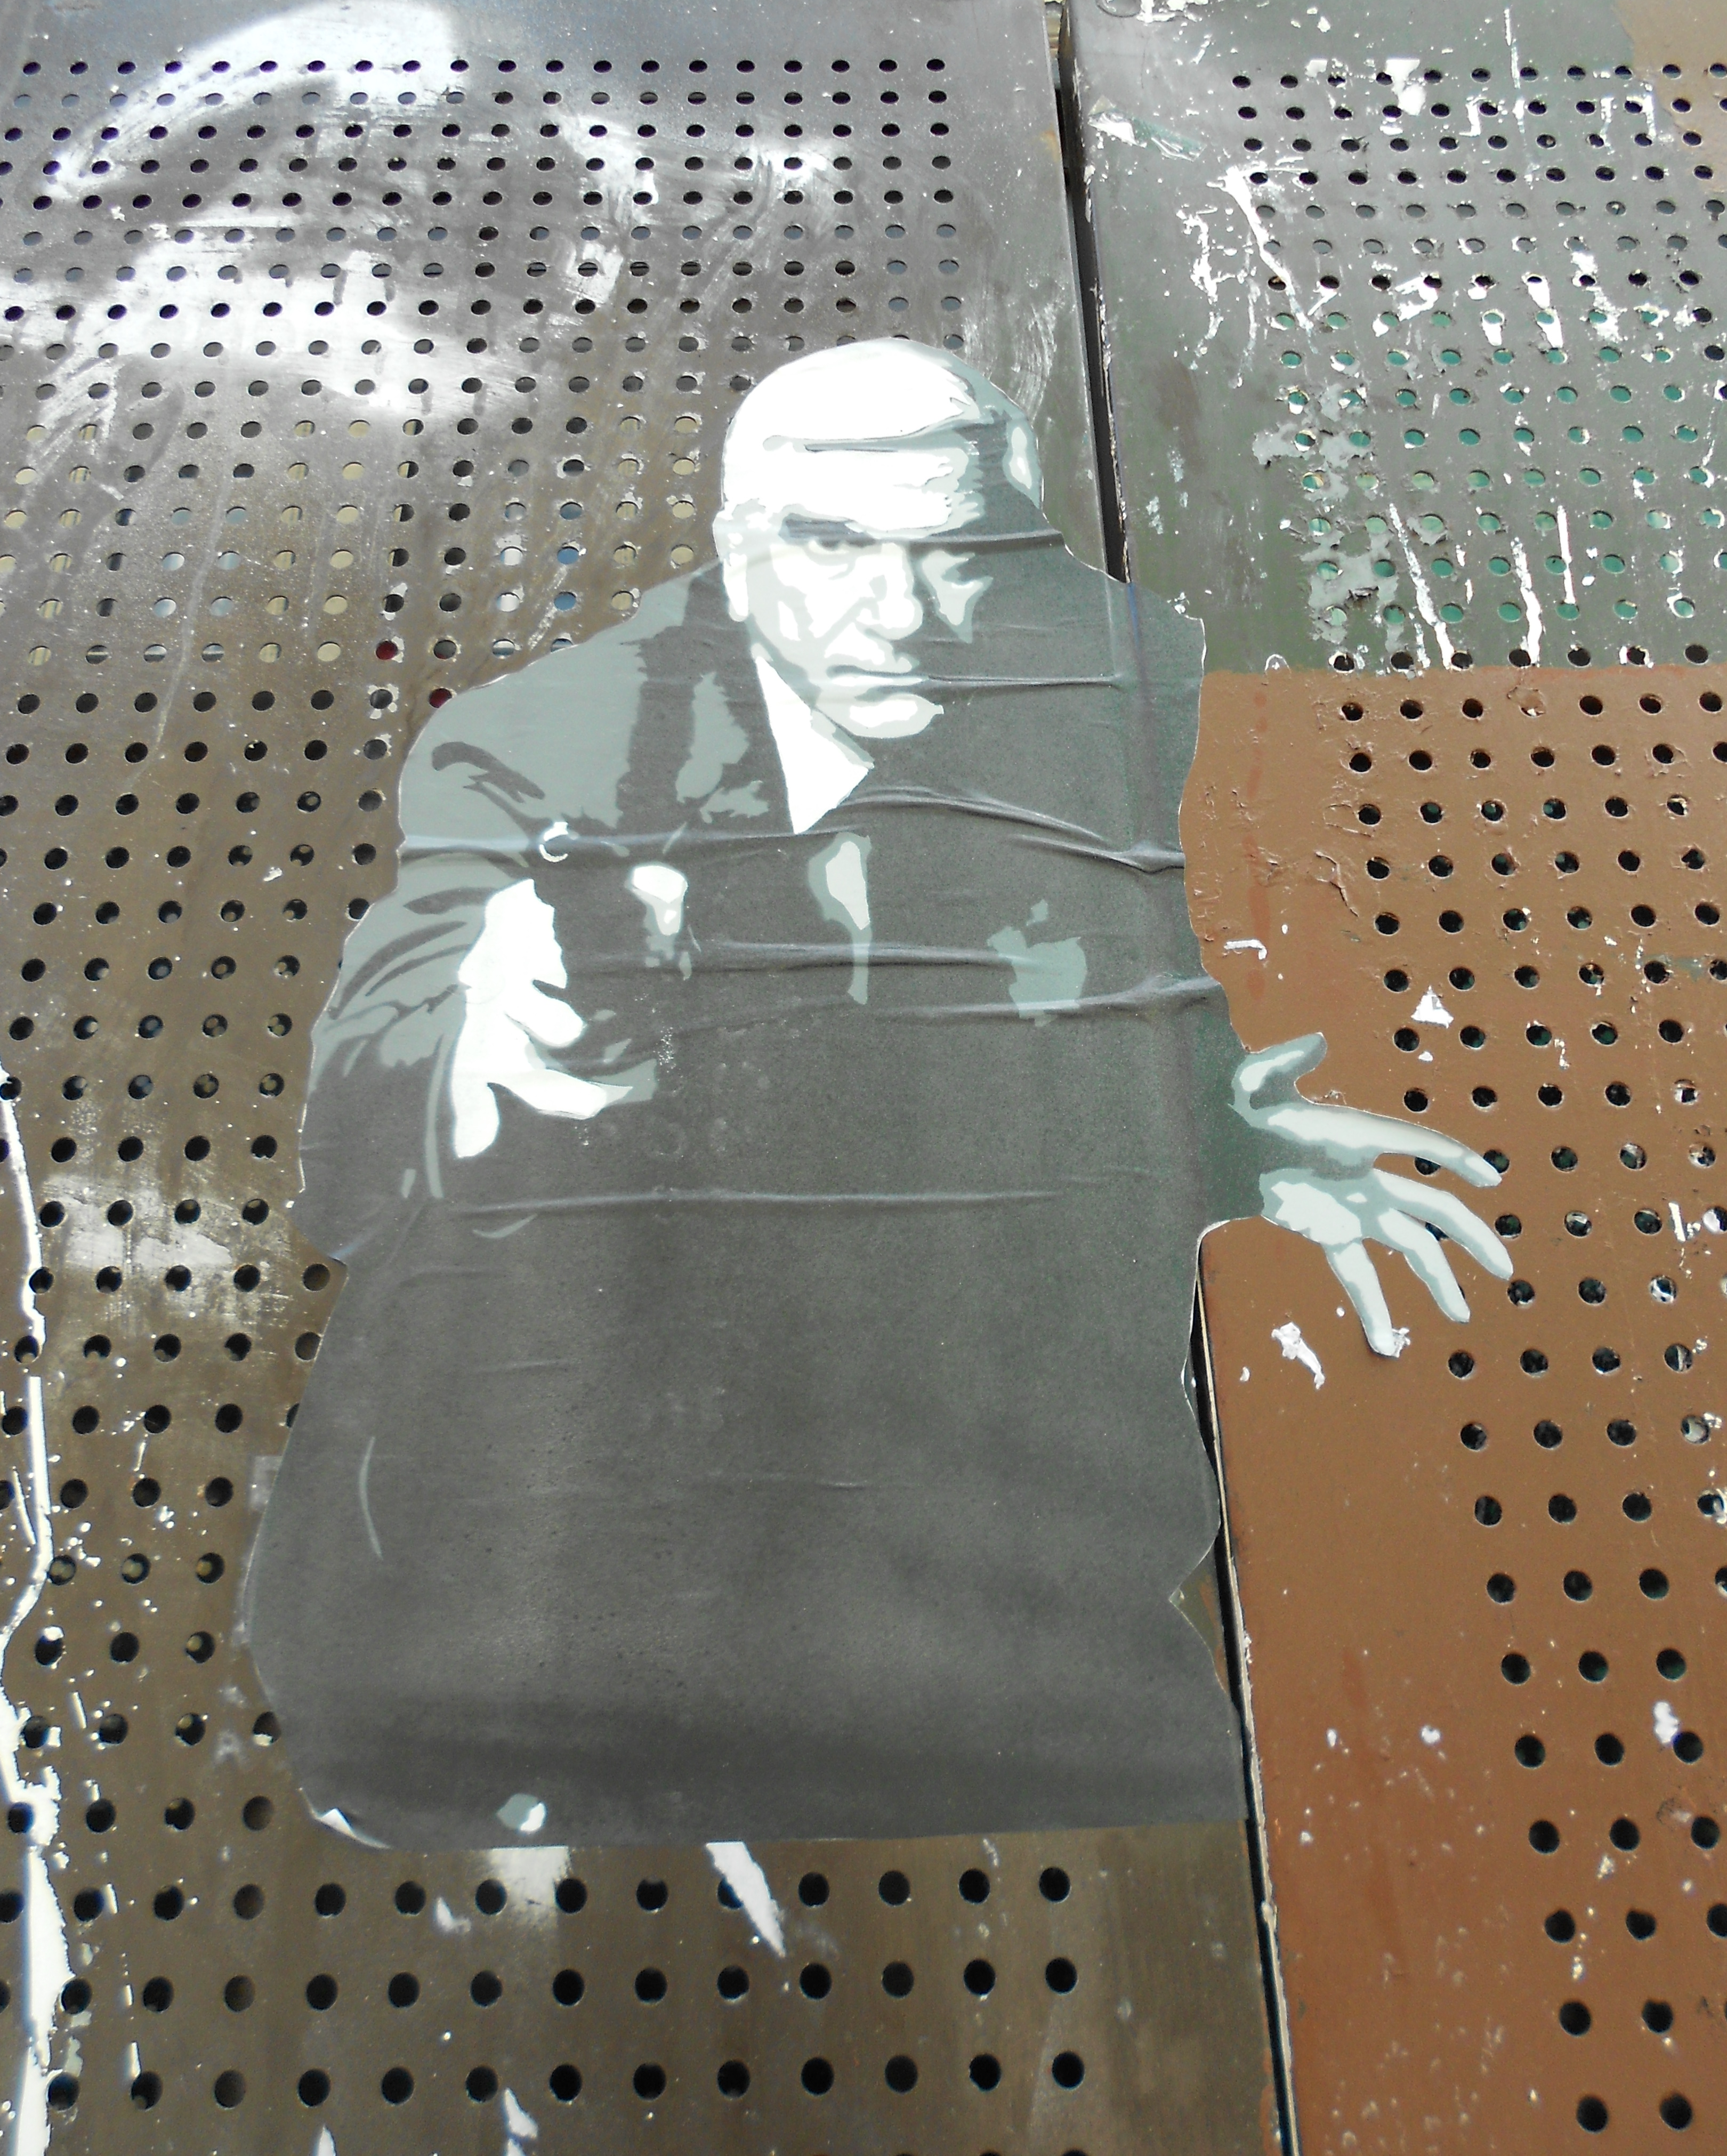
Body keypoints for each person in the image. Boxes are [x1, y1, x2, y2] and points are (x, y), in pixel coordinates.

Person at [247, 339, 1510, 1852]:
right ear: (736, 553)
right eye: (834, 547)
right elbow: (357, 1126)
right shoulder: (551, 744)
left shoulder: (1121, 682)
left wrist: (1226, 1132)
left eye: (956, 555)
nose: (900, 616)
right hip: (532, 1606)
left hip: (958, 1544)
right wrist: (479, 1028)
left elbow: (1102, 978)